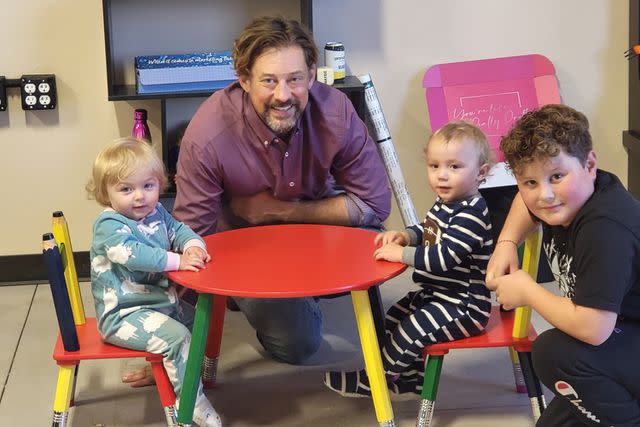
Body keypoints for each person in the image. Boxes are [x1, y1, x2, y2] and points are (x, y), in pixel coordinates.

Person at [145, 15, 390, 369]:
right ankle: (245, 296)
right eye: (269, 81)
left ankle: (287, 289)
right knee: (299, 345)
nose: (283, 95)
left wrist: (277, 211)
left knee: (377, 245)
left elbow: (374, 205)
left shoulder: (336, 111)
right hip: (246, 249)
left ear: (311, 74)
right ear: (244, 80)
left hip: (319, 234)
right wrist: (169, 348)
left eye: (295, 79)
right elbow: (188, 241)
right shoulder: (208, 134)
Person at [485, 104, 640, 426]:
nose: (545, 195)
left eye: (556, 176)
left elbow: (593, 329)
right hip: (624, 329)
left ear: (590, 164)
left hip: (615, 329)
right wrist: (506, 243)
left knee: (555, 353)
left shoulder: (606, 229)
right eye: (530, 183)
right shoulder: (573, 197)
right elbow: (524, 204)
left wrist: (528, 290)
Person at [325, 121, 494, 396]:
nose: (442, 176)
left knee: (412, 330)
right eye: (435, 166)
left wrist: (401, 254)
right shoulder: (446, 203)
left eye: (454, 167)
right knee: (394, 316)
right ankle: (410, 378)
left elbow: (442, 258)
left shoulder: (472, 212)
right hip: (438, 294)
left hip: (465, 306)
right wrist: (406, 236)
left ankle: (376, 381)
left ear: (481, 173)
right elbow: (429, 230)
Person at [86, 137, 222, 427]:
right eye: (126, 189)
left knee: (198, 322)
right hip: (124, 315)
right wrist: (177, 261)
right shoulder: (109, 225)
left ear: (159, 185)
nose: (139, 197)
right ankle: (191, 402)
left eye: (148, 186)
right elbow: (135, 255)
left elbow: (178, 229)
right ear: (105, 193)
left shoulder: (156, 212)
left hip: (159, 304)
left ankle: (171, 369)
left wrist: (193, 246)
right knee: (179, 338)